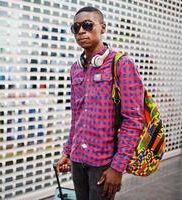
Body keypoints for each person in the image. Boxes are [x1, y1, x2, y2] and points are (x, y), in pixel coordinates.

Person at [56, 6, 144, 200]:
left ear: (102, 28)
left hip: (103, 163)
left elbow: (134, 120)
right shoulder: (75, 69)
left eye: (87, 25)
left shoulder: (122, 64)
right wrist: (68, 151)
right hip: (78, 160)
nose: (81, 31)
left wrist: (117, 167)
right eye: (76, 27)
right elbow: (76, 117)